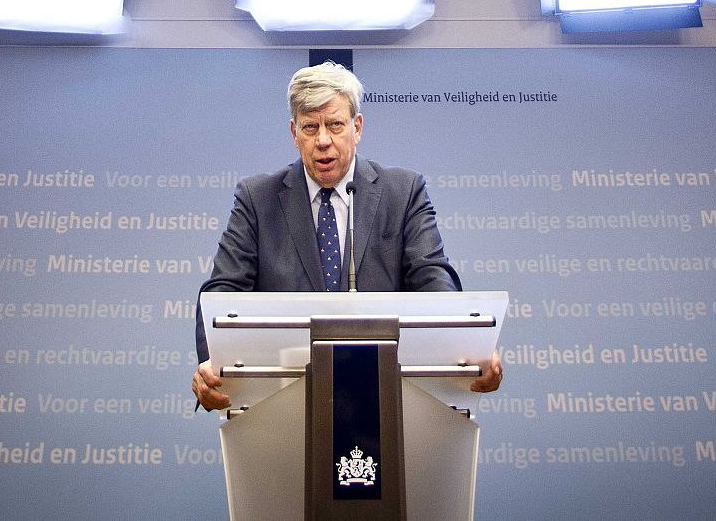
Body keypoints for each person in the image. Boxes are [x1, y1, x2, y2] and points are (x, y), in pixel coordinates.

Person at [190, 61, 502, 410]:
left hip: (386, 400)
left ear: (357, 127)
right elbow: (222, 294)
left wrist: (467, 345)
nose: (323, 140)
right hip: (283, 401)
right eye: (310, 127)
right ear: (294, 133)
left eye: (335, 125)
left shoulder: (403, 192)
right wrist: (212, 363)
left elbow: (432, 279)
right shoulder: (257, 198)